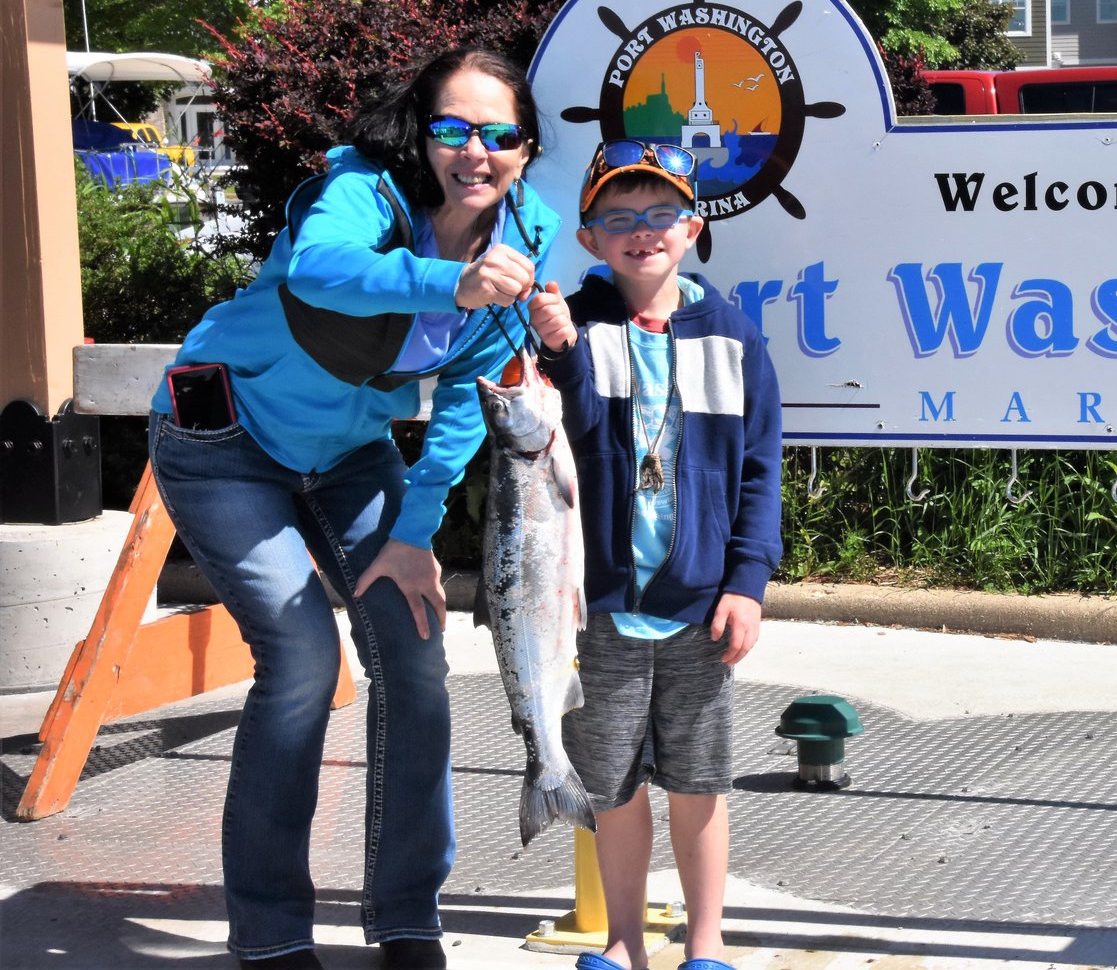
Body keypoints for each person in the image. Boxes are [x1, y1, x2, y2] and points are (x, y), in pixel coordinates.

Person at [147, 48, 562, 970]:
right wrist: (446, 281)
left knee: (414, 659)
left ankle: (408, 914)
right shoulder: (362, 191)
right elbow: (321, 275)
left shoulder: (528, 236)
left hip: (347, 456)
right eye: (453, 127)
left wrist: (415, 533)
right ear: (422, 130)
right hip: (224, 441)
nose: (474, 151)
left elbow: (466, 397)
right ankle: (271, 933)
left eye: (499, 135)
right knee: (299, 659)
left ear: (526, 151)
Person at [527, 140, 783, 970]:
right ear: (591, 235)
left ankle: (705, 945)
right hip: (596, 611)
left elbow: (760, 469)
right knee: (611, 786)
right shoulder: (575, 327)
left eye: (662, 214)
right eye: (620, 217)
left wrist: (746, 583)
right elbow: (554, 436)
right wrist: (558, 352)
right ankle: (624, 942)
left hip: (701, 608)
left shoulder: (737, 336)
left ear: (695, 227)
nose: (643, 232)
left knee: (700, 782)